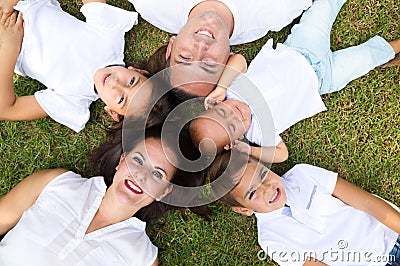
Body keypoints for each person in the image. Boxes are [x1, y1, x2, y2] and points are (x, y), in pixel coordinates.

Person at [189, 0, 400, 163]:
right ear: (235, 141)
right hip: (325, 78)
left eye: (223, 112)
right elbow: (282, 154)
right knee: (368, 58)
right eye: (233, 126)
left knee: (324, 8)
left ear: (215, 104)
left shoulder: (233, 91)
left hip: (301, 46)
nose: (235, 114)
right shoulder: (260, 132)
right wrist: (249, 150)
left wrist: (220, 88)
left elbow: (240, 61)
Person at [0, 124, 205, 266]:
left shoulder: (141, 258)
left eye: (156, 174)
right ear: (122, 160)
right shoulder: (56, 183)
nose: (140, 176)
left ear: (165, 191)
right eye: (138, 160)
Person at [208, 151, 400, 266]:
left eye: (263, 174)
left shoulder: (302, 174)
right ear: (243, 210)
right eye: (252, 193)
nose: (267, 189)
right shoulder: (270, 239)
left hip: (391, 235)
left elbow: (368, 202)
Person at [0, 0, 158, 132]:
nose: (116, 84)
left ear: (112, 112)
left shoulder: (74, 101)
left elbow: (6, 108)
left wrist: (8, 49)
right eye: (132, 82)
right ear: (137, 71)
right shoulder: (111, 38)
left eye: (121, 99)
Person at [128, 0, 313, 99]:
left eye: (184, 57)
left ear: (171, 47)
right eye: (208, 63)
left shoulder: (152, 4)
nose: (200, 46)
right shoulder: (277, 9)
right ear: (228, 60)